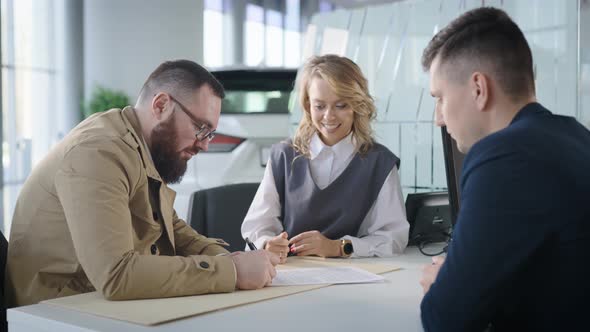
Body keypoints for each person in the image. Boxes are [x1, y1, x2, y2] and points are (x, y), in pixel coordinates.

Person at [5, 60, 279, 307]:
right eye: (201, 128)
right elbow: (117, 275)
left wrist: (231, 260)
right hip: (56, 312)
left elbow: (172, 228)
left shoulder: (142, 147)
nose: (205, 145)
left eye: (211, 133)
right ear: (161, 105)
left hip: (93, 302)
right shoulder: (98, 152)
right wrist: (231, 273)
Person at [419, 7, 590, 332]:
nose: (438, 118)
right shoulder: (577, 137)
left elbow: (446, 319)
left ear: (478, 89)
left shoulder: (503, 156)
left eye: (440, 98)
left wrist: (445, 283)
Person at [241, 54, 409, 263]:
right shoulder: (283, 155)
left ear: (357, 105)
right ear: (307, 105)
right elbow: (256, 226)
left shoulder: (380, 162)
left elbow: (394, 238)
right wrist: (267, 243)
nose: (329, 116)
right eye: (319, 106)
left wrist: (338, 247)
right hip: (290, 276)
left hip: (357, 276)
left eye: (341, 105)